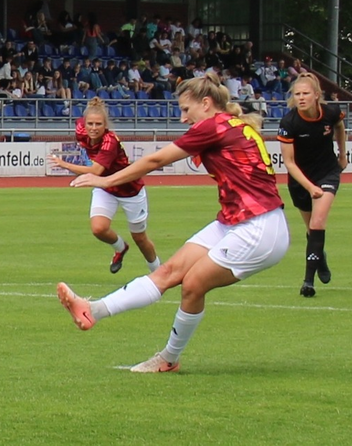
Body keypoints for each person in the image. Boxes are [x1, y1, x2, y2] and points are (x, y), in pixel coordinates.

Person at [57, 73, 289, 372]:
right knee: (169, 271)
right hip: (236, 220)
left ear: (206, 104)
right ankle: (92, 310)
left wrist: (106, 179)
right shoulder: (230, 125)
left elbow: (156, 161)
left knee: (192, 284)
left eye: (185, 110)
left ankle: (168, 359)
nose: (182, 119)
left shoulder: (214, 126)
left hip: (259, 227)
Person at [48, 98, 160, 274]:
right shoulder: (80, 128)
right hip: (105, 188)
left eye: (98, 124)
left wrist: (64, 164)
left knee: (140, 238)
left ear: (105, 125)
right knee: (98, 229)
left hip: (129, 190)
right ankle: (121, 248)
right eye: (90, 123)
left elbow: (96, 170)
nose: (93, 128)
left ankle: (158, 270)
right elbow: (99, 177)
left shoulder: (110, 141)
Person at [277, 72, 346, 297]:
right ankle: (320, 258)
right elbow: (289, 163)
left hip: (327, 173)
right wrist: (308, 187)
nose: (301, 98)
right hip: (300, 180)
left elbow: (339, 127)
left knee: (318, 222)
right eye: (297, 94)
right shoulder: (289, 122)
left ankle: (308, 282)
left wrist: (342, 155)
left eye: (306, 93)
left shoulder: (331, 112)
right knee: (310, 229)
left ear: (317, 95)